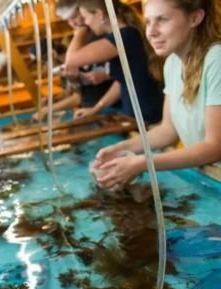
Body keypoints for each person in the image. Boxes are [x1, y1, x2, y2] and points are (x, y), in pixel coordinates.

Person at [93, 0, 221, 189]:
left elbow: (214, 147)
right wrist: (122, 148)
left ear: (195, 18)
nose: (151, 32)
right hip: (209, 179)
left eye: (162, 20)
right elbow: (168, 130)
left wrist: (143, 163)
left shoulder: (216, 59)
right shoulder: (172, 63)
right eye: (148, 22)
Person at [64, 0, 164, 124]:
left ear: (99, 14)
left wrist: (80, 32)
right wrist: (96, 108)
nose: (86, 22)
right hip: (136, 116)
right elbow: (121, 82)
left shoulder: (123, 36)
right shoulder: (124, 34)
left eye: (86, 17)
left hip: (148, 117)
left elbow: (71, 60)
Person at [32, 0, 117, 121]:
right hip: (93, 108)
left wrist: (107, 76)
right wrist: (73, 80)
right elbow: (77, 91)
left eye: (75, 17)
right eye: (67, 20)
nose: (72, 23)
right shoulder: (77, 40)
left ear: (83, 10)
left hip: (112, 107)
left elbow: (124, 74)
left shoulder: (103, 35)